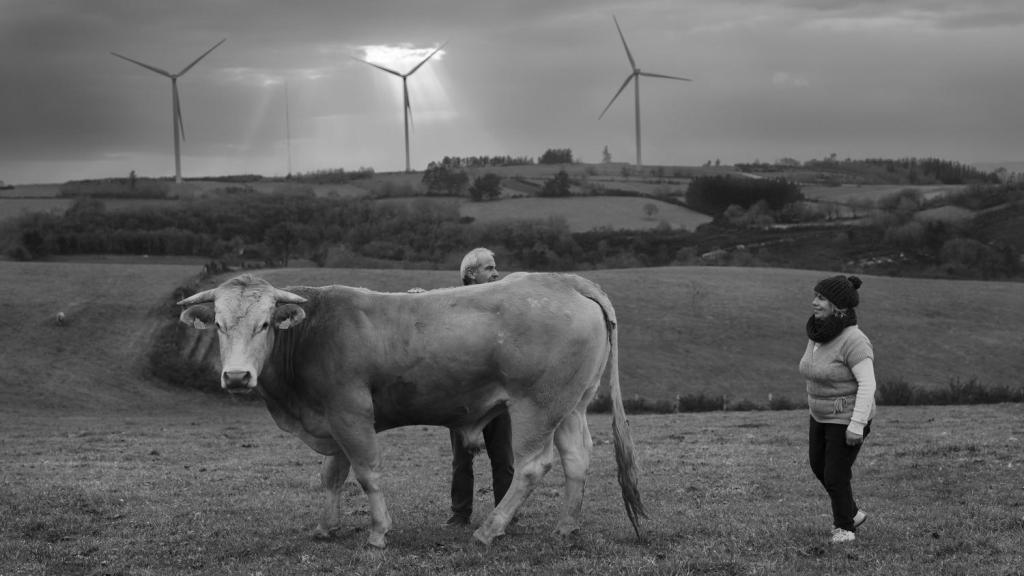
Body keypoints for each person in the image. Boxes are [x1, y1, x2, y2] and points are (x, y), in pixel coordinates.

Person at [799, 274, 877, 544]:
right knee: (819, 467)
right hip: (820, 415)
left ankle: (844, 527)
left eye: (821, 298)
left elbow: (868, 384)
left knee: (835, 475)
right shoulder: (818, 333)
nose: (814, 302)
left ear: (838, 306)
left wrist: (856, 425)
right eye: (815, 296)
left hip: (847, 417)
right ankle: (852, 513)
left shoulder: (854, 340)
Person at [445, 247, 515, 526]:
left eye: (495, 267)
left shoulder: (503, 306)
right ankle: (460, 514)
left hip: (496, 394)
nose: (496, 273)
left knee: (504, 458)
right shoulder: (451, 304)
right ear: (471, 274)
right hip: (463, 397)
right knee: (461, 460)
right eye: (489, 268)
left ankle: (506, 513)